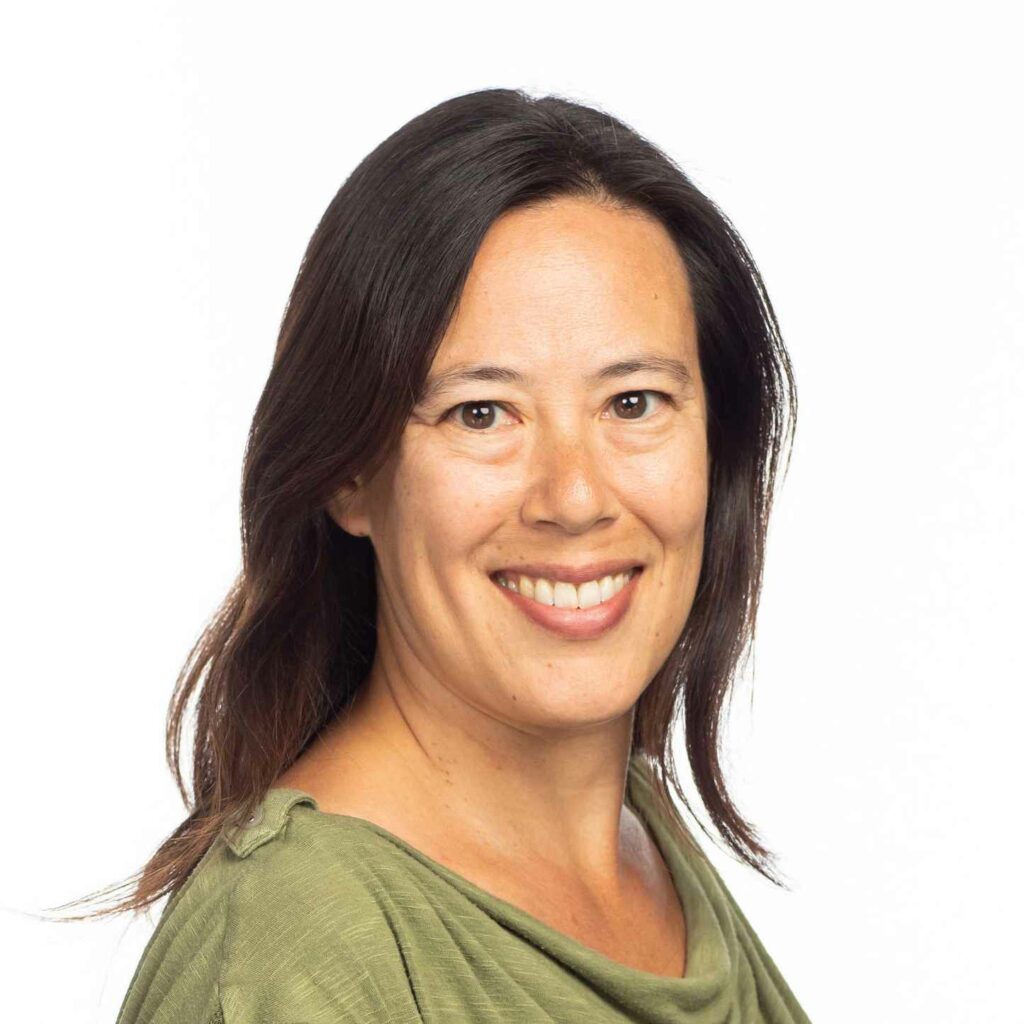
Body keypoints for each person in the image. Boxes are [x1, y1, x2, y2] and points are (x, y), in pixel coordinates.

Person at [63, 88, 811, 1022]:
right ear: (349, 472)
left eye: (633, 403)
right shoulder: (293, 946)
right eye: (481, 414)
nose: (575, 497)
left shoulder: (647, 846)